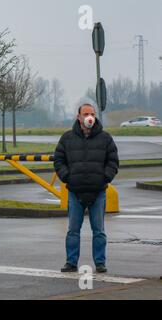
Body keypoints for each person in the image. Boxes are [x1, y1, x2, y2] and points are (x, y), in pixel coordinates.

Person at [54, 104, 119, 273]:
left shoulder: (105, 138)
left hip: (98, 192)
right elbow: (59, 160)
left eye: (92, 114)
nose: (89, 117)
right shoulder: (67, 138)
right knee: (73, 231)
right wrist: (67, 177)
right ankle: (71, 262)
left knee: (99, 231)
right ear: (78, 117)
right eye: (86, 114)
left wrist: (104, 178)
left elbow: (113, 162)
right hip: (75, 192)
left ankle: (100, 262)